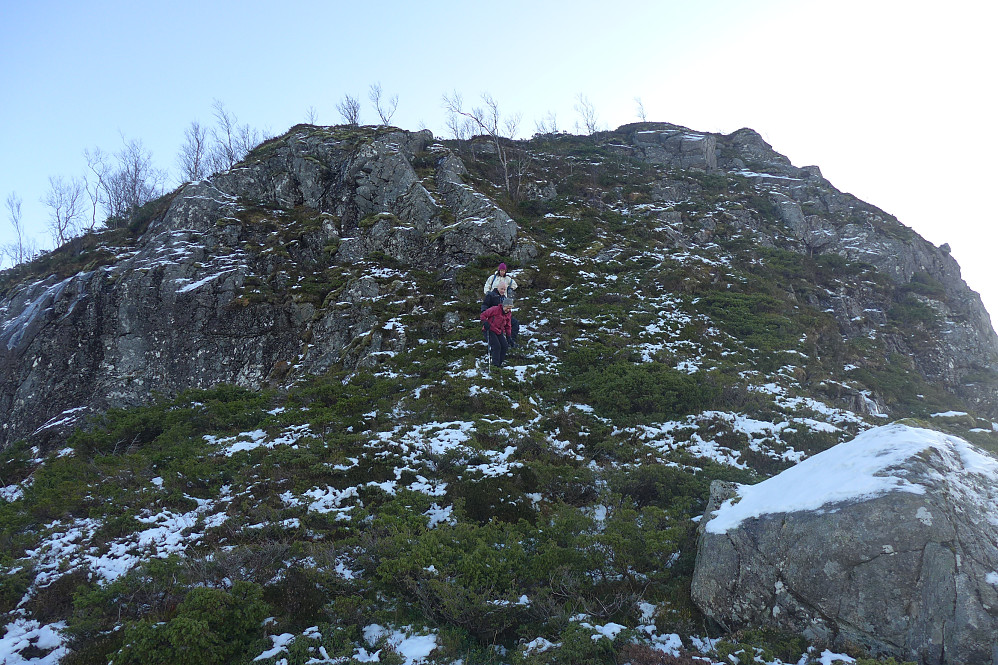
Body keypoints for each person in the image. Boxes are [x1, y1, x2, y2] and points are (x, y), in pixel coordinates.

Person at [481, 281, 519, 347]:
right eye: (502, 289)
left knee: (514, 323)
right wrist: (485, 316)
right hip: (493, 316)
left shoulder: (504, 297)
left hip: (503, 316)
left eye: (504, 289)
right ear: (497, 288)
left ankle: (510, 340)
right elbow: (485, 305)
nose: (503, 291)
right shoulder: (491, 295)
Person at [480, 299, 513, 368]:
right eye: (507, 307)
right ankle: (495, 365)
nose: (508, 309)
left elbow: (508, 325)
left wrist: (508, 336)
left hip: (499, 331)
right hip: (489, 329)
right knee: (496, 346)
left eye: (510, 308)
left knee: (505, 346)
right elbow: (483, 315)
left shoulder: (508, 314)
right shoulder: (495, 309)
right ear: (503, 306)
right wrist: (485, 322)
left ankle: (499, 364)